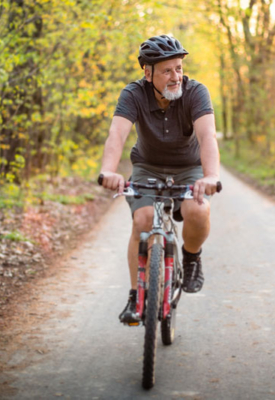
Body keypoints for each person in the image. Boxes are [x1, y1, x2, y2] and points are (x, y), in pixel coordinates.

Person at [99, 35, 220, 323]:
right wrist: (109, 170)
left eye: (178, 68)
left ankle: (191, 257)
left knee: (198, 211)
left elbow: (207, 137)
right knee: (142, 221)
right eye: (167, 70)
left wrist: (211, 175)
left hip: (188, 167)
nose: (175, 76)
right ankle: (135, 296)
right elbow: (117, 134)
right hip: (148, 167)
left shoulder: (195, 92)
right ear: (147, 73)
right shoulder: (133, 94)